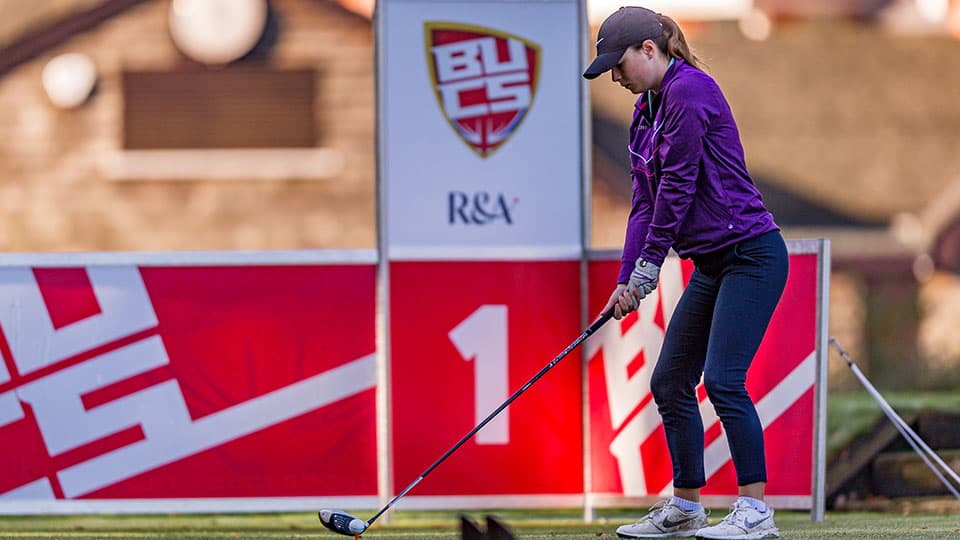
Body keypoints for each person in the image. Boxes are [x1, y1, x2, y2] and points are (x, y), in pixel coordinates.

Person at [583, 6, 788, 540]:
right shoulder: (644, 113)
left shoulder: (689, 91)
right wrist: (628, 277)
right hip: (713, 264)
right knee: (671, 380)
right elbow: (644, 206)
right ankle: (686, 506)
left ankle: (755, 511)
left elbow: (677, 186)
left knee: (723, 379)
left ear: (649, 50)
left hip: (752, 256)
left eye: (619, 64)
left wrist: (650, 267)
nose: (615, 77)